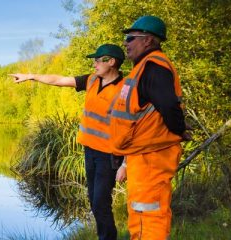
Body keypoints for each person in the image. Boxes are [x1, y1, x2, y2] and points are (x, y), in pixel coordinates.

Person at [10, 44, 126, 240]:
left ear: (111, 62)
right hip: (89, 150)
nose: (94, 63)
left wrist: (126, 163)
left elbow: (133, 126)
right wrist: (31, 76)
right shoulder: (91, 80)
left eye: (98, 60)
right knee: (94, 201)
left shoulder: (126, 89)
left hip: (109, 155)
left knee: (100, 202)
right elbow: (59, 80)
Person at [111, 15, 188, 239]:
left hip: (152, 157)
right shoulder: (143, 68)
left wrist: (179, 130)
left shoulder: (154, 67)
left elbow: (169, 106)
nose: (126, 43)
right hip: (142, 156)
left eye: (131, 38)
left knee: (149, 215)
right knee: (140, 213)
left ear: (148, 40)